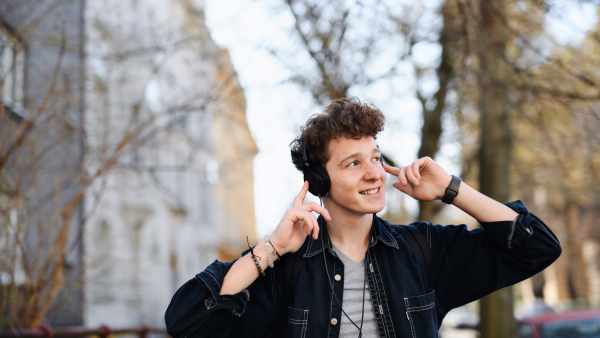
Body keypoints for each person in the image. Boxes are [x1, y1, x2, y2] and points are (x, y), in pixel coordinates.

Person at [165, 98, 562, 338]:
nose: (374, 173)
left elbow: (537, 247)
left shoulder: (421, 251)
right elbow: (187, 322)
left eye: (375, 157)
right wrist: (270, 248)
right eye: (354, 163)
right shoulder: (283, 268)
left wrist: (451, 190)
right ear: (319, 179)